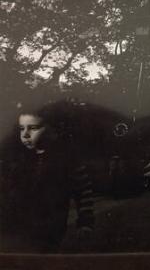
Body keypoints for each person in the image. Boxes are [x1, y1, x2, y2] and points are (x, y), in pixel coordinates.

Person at [0, 100, 95, 253]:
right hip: (16, 228)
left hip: (49, 229)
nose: (25, 135)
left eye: (33, 128)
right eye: (21, 128)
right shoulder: (18, 160)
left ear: (51, 129)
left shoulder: (66, 159)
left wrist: (85, 222)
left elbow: (83, 192)